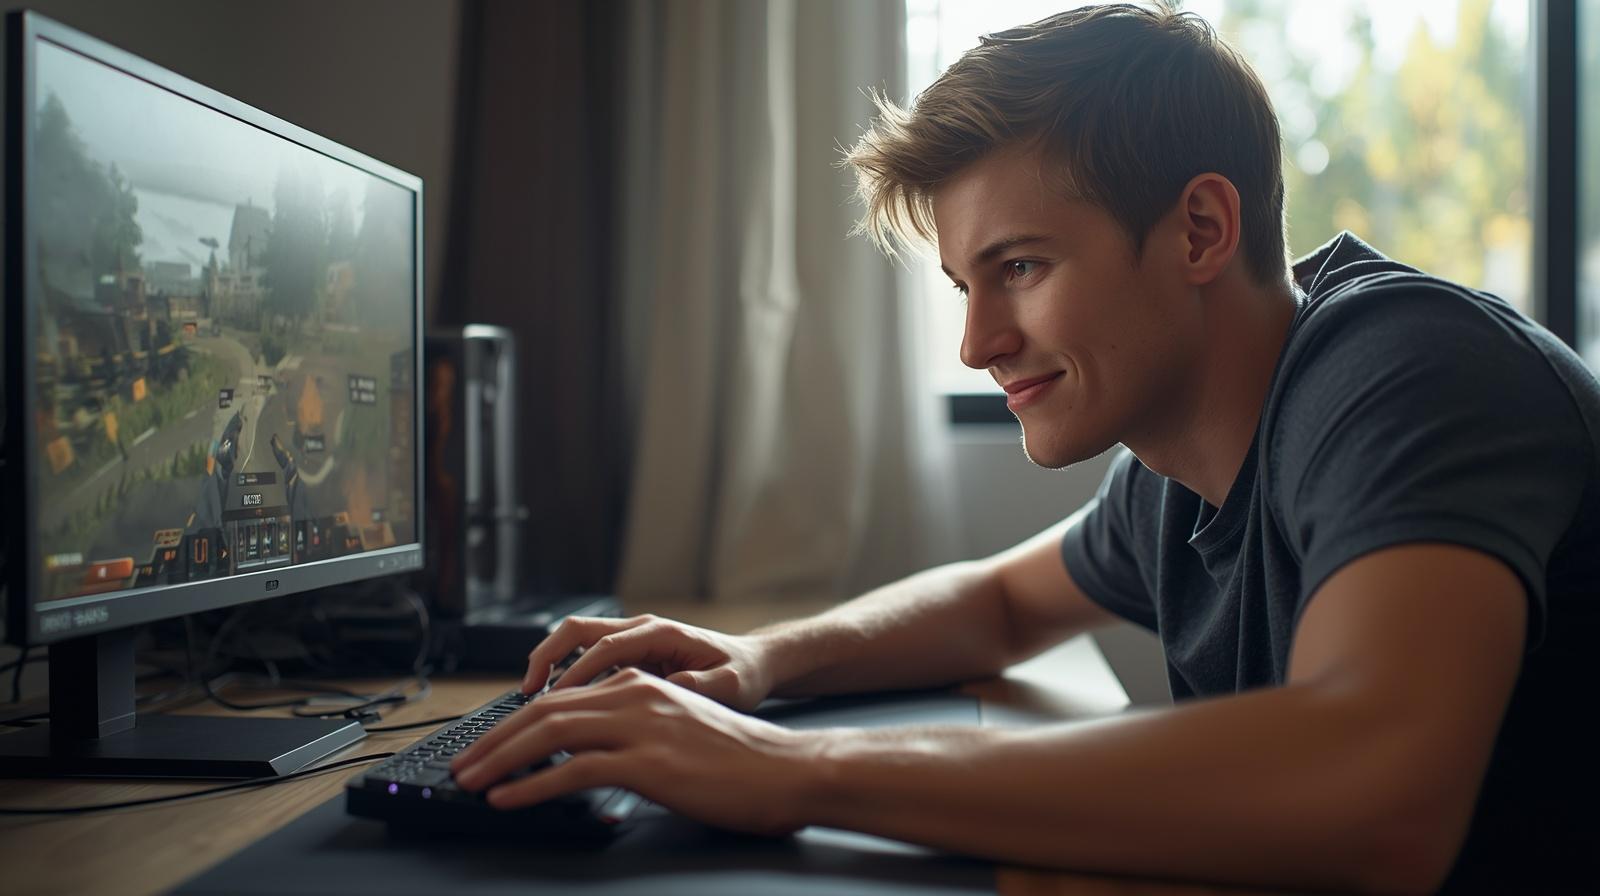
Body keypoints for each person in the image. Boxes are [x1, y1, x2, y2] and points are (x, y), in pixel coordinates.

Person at [450, 4, 1600, 892]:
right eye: (963, 283)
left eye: (1020, 267)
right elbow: (998, 603)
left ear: (1201, 227)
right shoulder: (1175, 459)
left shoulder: (1405, 368)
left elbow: (1377, 793)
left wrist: (786, 770)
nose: (976, 343)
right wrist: (755, 664)